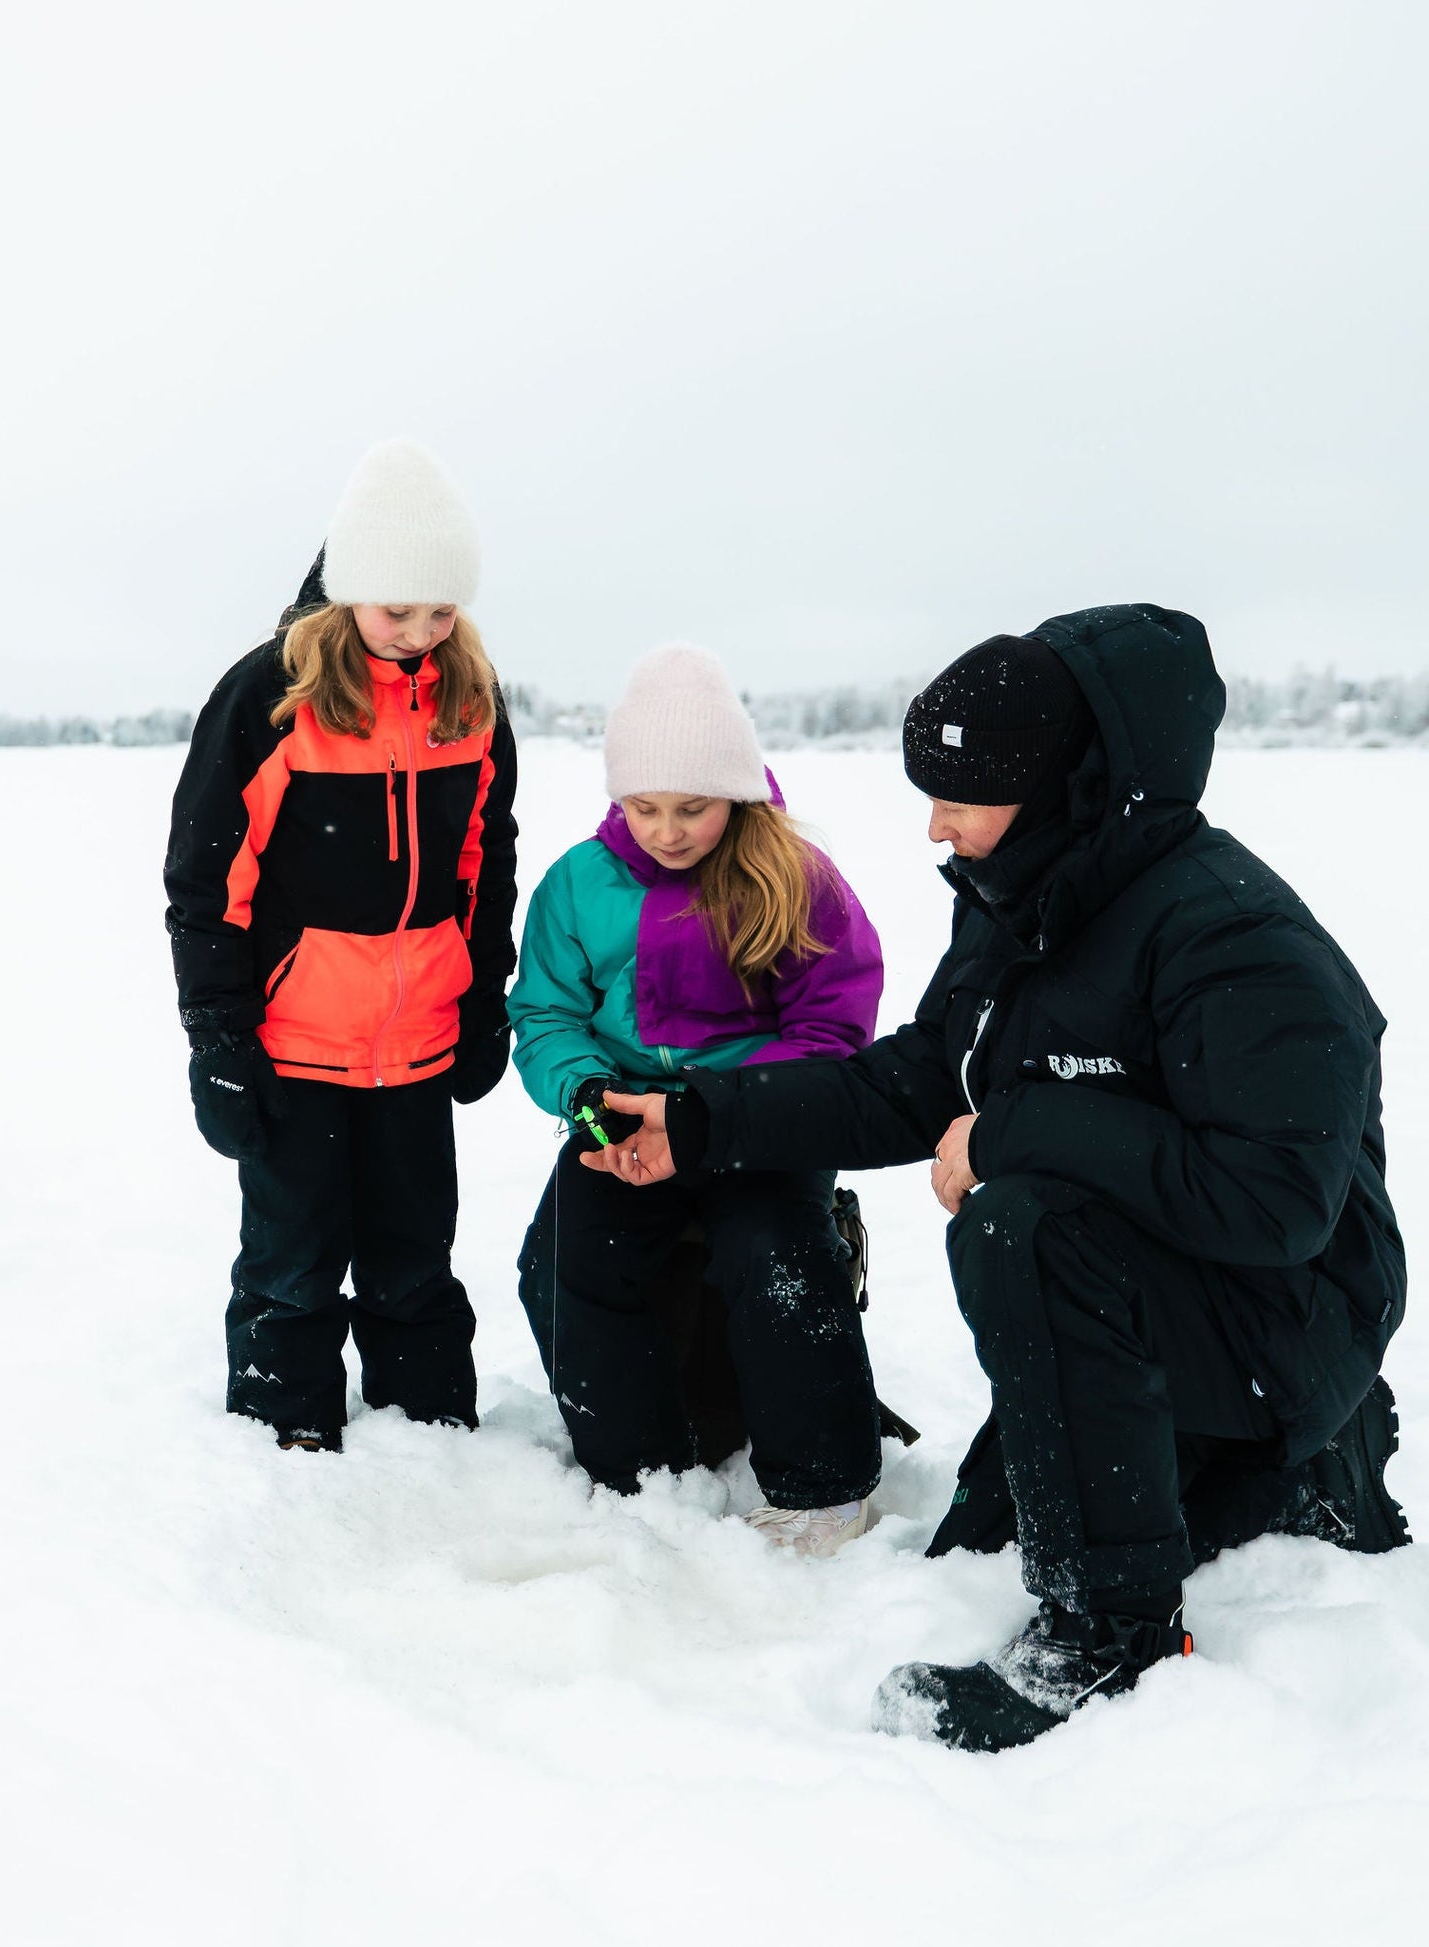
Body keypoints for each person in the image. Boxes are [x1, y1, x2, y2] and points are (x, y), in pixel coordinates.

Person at [587, 605, 1408, 1749]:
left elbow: (1270, 1205)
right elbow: (925, 1075)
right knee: (985, 1529)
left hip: (1288, 1301)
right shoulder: (1031, 899)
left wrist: (1016, 1130)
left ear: (1064, 787)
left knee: (1018, 1223)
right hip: (1171, 1274)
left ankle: (1109, 1631)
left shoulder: (1236, 940)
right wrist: (701, 1119)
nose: (932, 827)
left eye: (956, 798)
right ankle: (1288, 1456)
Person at [163, 439, 518, 1451]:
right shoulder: (269, 697)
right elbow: (205, 884)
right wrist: (217, 1040)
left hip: (415, 1039)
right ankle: (289, 1441)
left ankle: (432, 1434)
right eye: (394, 608)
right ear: (347, 591)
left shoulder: (470, 700)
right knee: (293, 1261)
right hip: (292, 1045)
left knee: (415, 1258)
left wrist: (482, 997)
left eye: (440, 610)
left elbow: (486, 867)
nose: (417, 632)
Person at [509, 644, 887, 1551]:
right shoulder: (577, 883)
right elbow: (546, 1011)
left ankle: (826, 1486)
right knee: (564, 1257)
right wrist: (591, 1101)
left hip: (754, 1121)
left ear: (738, 793)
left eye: (694, 807)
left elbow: (834, 1027)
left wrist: (730, 1112)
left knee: (776, 1254)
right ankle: (640, 1474)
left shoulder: (796, 879)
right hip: (625, 1119)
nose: (668, 830)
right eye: (645, 807)